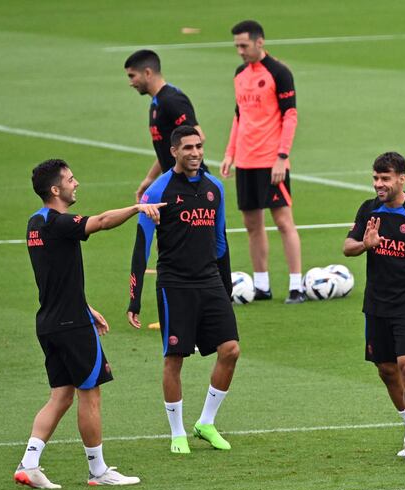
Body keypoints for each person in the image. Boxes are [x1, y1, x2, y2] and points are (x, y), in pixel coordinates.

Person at [18, 159, 163, 488]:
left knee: (61, 396)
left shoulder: (34, 224)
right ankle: (98, 471)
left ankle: (29, 463)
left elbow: (55, 273)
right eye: (70, 180)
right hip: (71, 326)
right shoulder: (59, 223)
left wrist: (84, 305)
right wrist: (137, 208)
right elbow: (100, 222)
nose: (76, 183)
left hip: (51, 321)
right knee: (90, 394)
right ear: (55, 190)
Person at [128, 126, 241, 454]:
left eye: (199, 146)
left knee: (231, 349)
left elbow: (221, 243)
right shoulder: (157, 191)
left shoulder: (214, 188)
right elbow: (141, 246)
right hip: (174, 285)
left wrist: (227, 288)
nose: (195, 152)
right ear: (174, 151)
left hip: (210, 282)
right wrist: (134, 298)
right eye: (188, 147)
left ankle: (206, 422)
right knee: (175, 358)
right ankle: (177, 432)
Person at [343, 152, 405, 461]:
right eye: (375, 178)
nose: (378, 184)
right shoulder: (369, 210)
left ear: (402, 178)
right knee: (386, 370)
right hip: (375, 304)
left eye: (385, 179)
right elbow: (348, 248)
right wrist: (366, 245)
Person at [220, 19, 304, 304]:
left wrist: (282, 156)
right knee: (252, 224)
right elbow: (238, 115)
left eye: (244, 45)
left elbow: (290, 115)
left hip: (271, 161)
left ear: (259, 42)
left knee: (283, 221)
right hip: (245, 161)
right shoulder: (240, 73)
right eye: (237, 46)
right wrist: (230, 154)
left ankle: (296, 286)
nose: (240, 51)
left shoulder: (279, 72)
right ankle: (262, 286)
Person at [124, 49, 206, 202]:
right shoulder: (157, 102)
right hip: (176, 185)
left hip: (191, 186)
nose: (131, 83)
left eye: (132, 76)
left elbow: (198, 136)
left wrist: (183, 176)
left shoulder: (172, 100)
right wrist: (150, 178)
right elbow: (169, 149)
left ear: (147, 72)